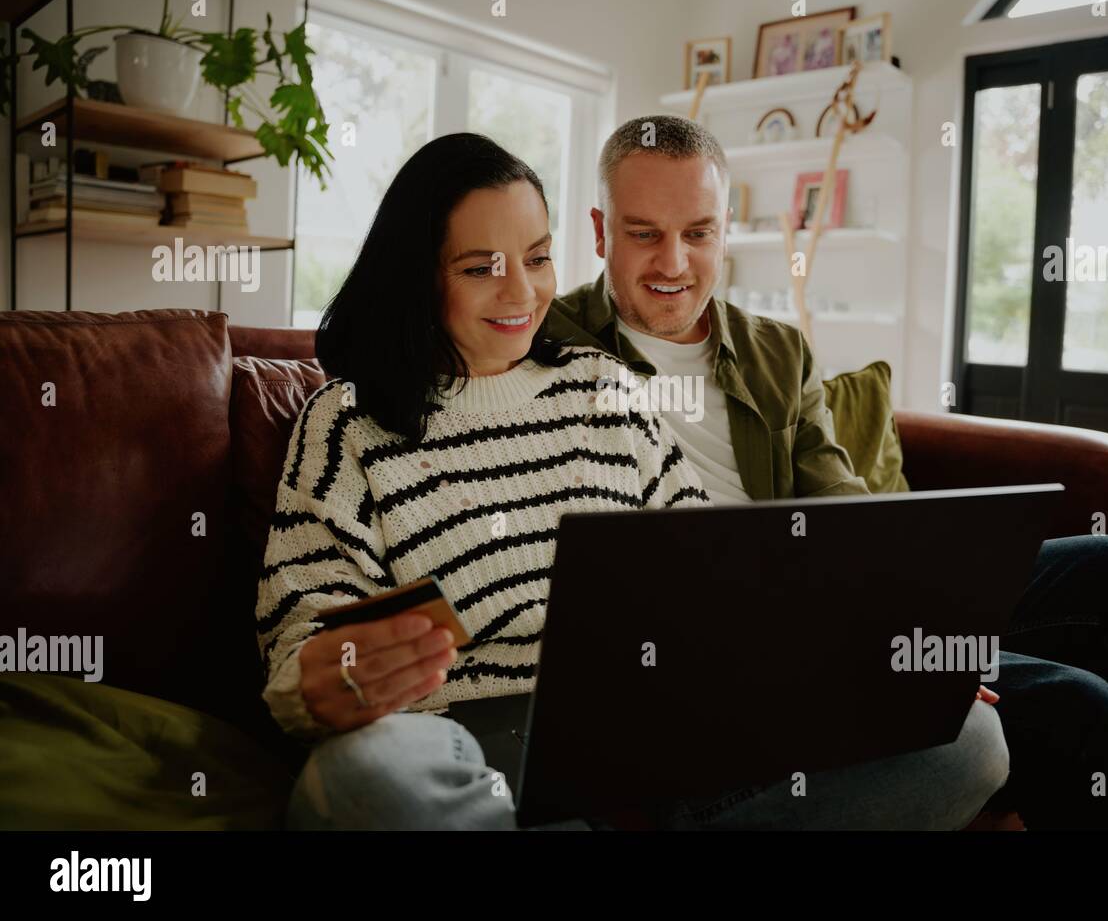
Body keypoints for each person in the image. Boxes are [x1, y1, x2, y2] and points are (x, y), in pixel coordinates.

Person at [256, 132, 1010, 830]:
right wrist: (329, 677)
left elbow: (715, 578)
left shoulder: (604, 388)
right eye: (481, 266)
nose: (521, 293)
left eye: (538, 257)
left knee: (968, 738)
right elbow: (301, 638)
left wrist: (853, 656)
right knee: (361, 779)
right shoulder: (348, 422)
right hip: (463, 743)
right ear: (418, 275)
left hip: (658, 729)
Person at [541, 114, 1108, 830]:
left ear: (724, 230)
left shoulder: (775, 349)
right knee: (1078, 704)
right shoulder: (545, 348)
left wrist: (913, 619)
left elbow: (843, 505)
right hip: (743, 654)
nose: (674, 264)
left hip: (830, 601)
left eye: (698, 232)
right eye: (644, 233)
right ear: (600, 232)